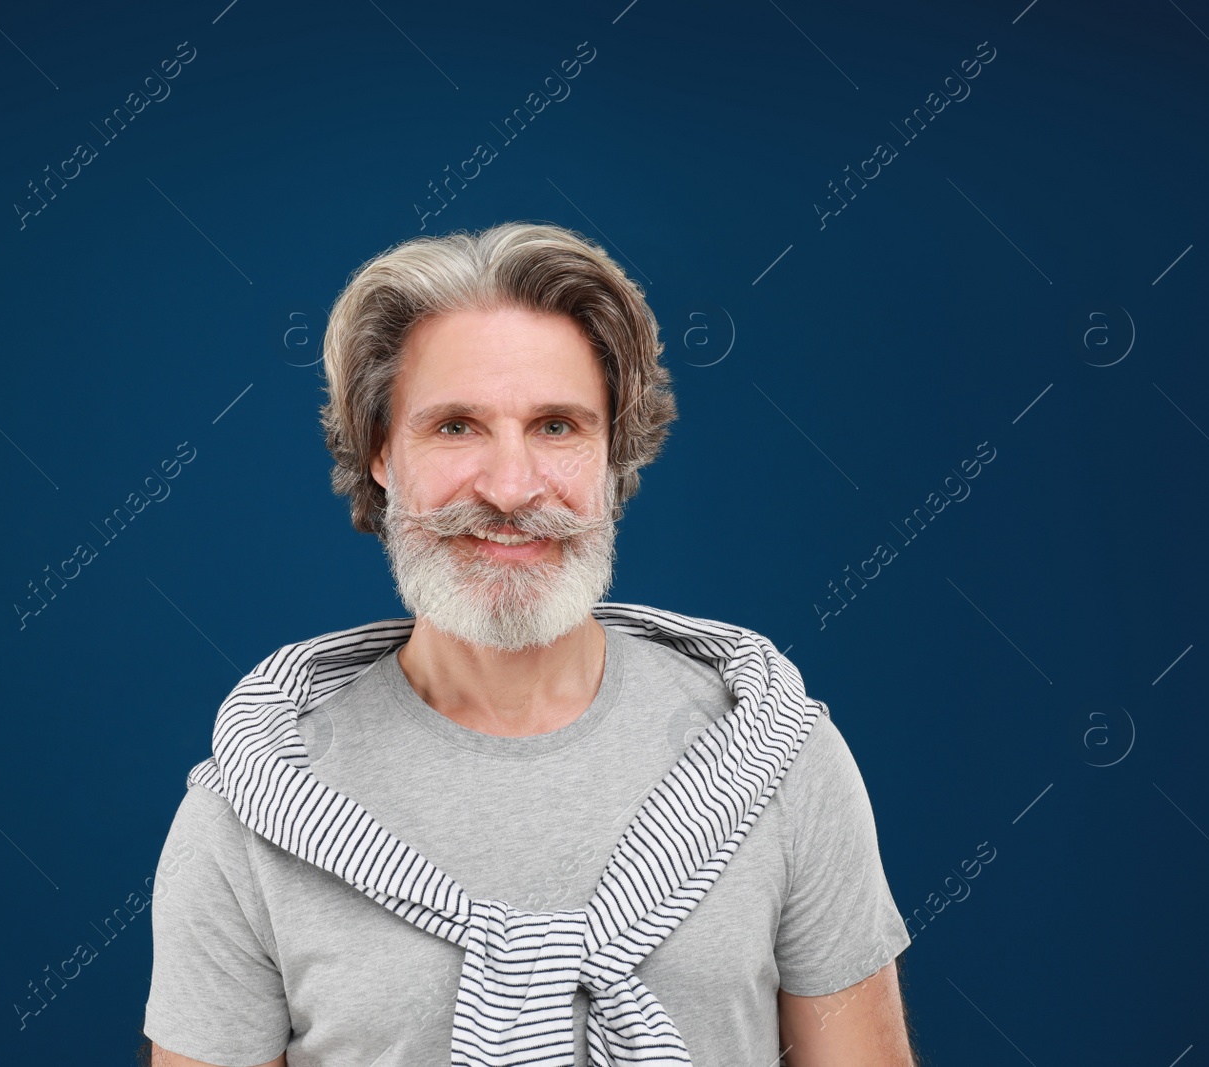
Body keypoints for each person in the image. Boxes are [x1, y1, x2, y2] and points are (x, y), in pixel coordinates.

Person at [141, 222, 917, 1066]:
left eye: (556, 427)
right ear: (380, 454)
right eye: (455, 427)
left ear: (614, 454)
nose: (510, 488)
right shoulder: (249, 815)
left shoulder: (780, 760)